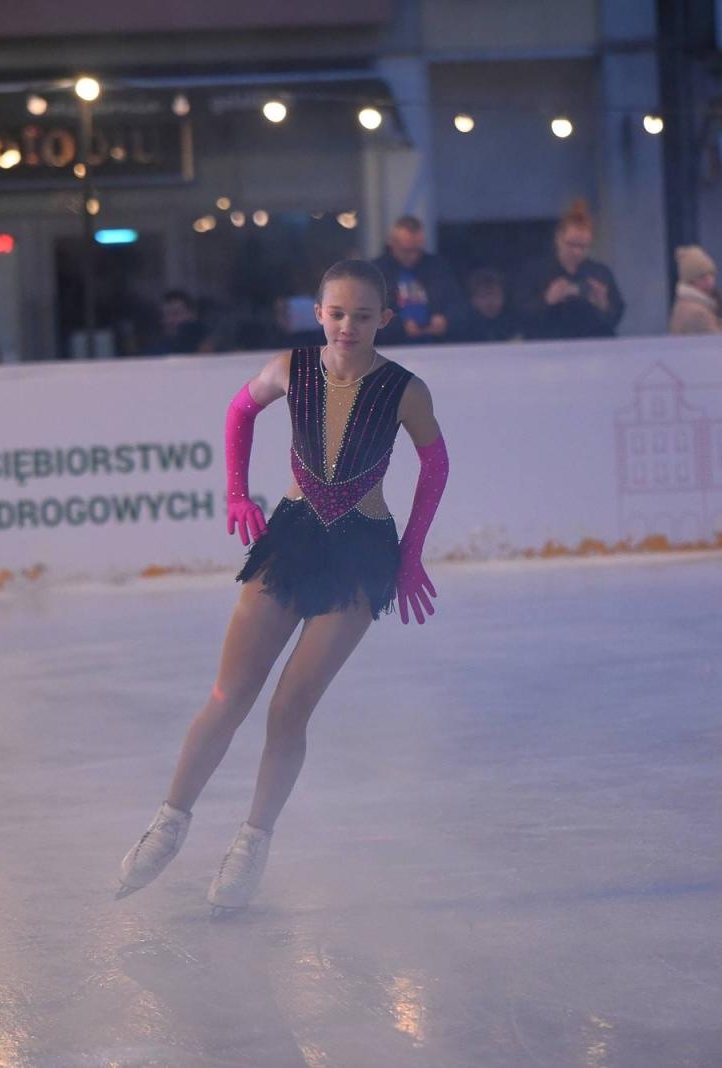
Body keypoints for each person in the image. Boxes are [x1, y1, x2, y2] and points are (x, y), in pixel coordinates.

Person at [117, 259, 450, 914]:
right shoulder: (292, 369)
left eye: (362, 314)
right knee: (227, 693)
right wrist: (236, 491)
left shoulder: (406, 389)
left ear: (385, 318)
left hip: (359, 558)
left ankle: (252, 841)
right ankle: (168, 824)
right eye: (336, 312)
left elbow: (435, 464)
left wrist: (410, 554)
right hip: (292, 540)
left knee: (288, 708)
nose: (348, 325)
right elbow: (240, 411)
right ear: (318, 312)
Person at [515, 199, 625, 339]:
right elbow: (519, 318)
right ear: (558, 238)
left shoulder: (600, 273)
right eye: (571, 245)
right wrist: (547, 301)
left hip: (593, 351)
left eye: (583, 247)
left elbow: (614, 319)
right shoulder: (533, 272)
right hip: (546, 351)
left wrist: (603, 305)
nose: (577, 252)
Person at [370, 216, 461, 345]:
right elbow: (369, 314)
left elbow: (457, 303)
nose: (413, 255)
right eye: (406, 250)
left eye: (417, 249)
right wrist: (399, 326)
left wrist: (446, 320)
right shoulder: (376, 272)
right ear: (392, 243)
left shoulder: (437, 267)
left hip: (436, 345)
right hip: (392, 347)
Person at [452, 268, 520, 343]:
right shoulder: (463, 329)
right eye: (483, 296)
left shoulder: (516, 324)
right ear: (473, 300)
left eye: (495, 295)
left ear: (503, 297)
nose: (490, 302)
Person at [143, 289, 210, 355]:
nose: (169, 321)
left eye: (176, 314)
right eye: (164, 316)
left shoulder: (211, 344)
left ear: (193, 315)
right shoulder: (154, 354)